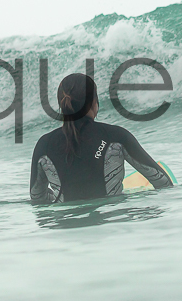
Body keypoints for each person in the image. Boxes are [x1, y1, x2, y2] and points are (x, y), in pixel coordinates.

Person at [29, 74, 172, 204]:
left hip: (66, 222)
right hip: (110, 220)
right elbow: (163, 181)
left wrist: (56, 196)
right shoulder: (116, 136)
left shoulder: (44, 145)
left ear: (61, 105)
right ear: (94, 102)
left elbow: (37, 197)